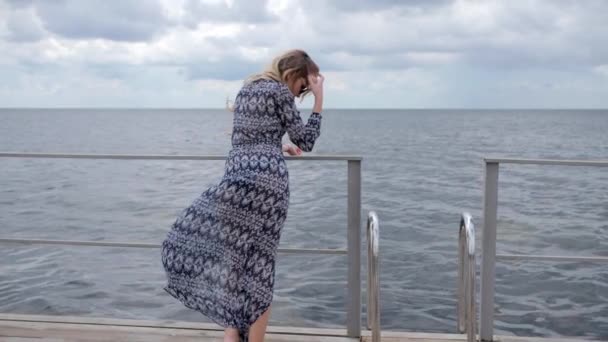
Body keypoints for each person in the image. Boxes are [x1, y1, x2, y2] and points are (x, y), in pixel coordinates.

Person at [161, 49, 324, 342]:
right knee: (260, 269)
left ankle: (232, 337)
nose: (300, 95)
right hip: (267, 189)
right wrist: (320, 102)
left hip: (234, 183)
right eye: (302, 88)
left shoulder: (247, 90)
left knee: (235, 265)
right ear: (293, 75)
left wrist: (277, 145)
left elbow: (247, 138)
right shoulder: (280, 91)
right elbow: (306, 140)